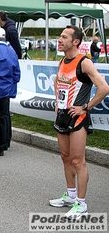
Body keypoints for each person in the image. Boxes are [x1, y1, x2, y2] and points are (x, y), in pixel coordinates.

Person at [50, 25, 109, 219]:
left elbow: (104, 88)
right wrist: (58, 101)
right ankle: (70, 195)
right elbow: (57, 82)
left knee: (77, 161)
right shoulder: (62, 61)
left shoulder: (84, 63)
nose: (60, 39)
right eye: (60, 36)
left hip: (78, 118)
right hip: (62, 116)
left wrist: (86, 107)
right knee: (65, 157)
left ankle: (81, 204)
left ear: (75, 41)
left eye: (64, 37)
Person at [0, 28, 20, 157]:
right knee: (4, 117)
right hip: (6, 90)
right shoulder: (11, 50)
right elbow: (17, 74)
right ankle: (3, 146)